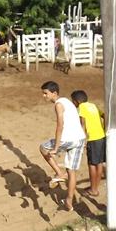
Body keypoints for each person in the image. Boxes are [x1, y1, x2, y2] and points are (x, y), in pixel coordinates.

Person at [39, 81, 86, 211]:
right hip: (80, 139)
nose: (44, 96)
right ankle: (69, 200)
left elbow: (60, 126)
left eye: (45, 93)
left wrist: (56, 147)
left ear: (54, 93)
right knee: (71, 171)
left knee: (43, 148)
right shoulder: (66, 101)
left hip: (68, 139)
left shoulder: (58, 105)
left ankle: (59, 173)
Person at [71, 90, 106, 197]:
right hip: (101, 137)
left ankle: (93, 190)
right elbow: (105, 115)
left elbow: (83, 124)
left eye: (73, 101)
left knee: (92, 164)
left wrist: (83, 140)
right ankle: (94, 187)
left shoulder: (82, 107)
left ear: (77, 101)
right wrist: (104, 129)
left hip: (93, 139)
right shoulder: (93, 105)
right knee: (99, 163)